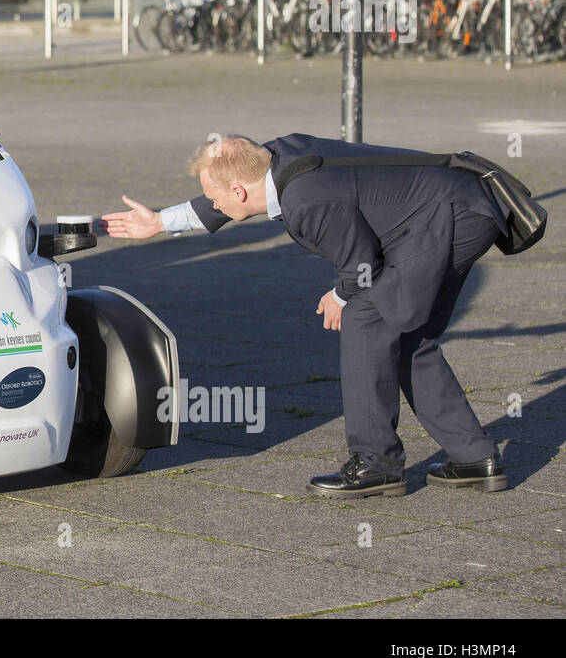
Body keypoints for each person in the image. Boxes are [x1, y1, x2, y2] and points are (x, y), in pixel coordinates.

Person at [101, 132, 511, 499]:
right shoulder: (274, 158)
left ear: (239, 191)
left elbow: (361, 266)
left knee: (367, 318)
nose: (213, 204)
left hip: (448, 217)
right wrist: (160, 221)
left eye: (214, 196)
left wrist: (339, 296)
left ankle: (377, 465)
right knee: (407, 338)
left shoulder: (305, 201)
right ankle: (474, 459)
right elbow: (231, 194)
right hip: (452, 206)